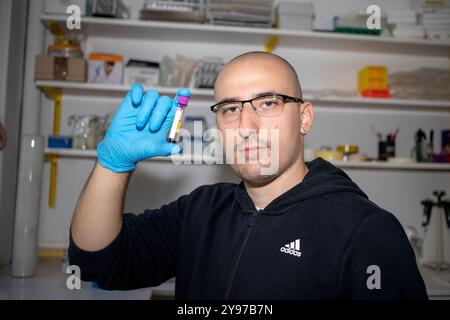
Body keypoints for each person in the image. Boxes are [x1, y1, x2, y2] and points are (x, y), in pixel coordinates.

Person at [69, 51, 428, 299]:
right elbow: (97, 261)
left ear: (304, 117)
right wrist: (112, 165)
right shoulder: (199, 212)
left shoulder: (368, 232)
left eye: (268, 102)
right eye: (229, 109)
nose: (246, 126)